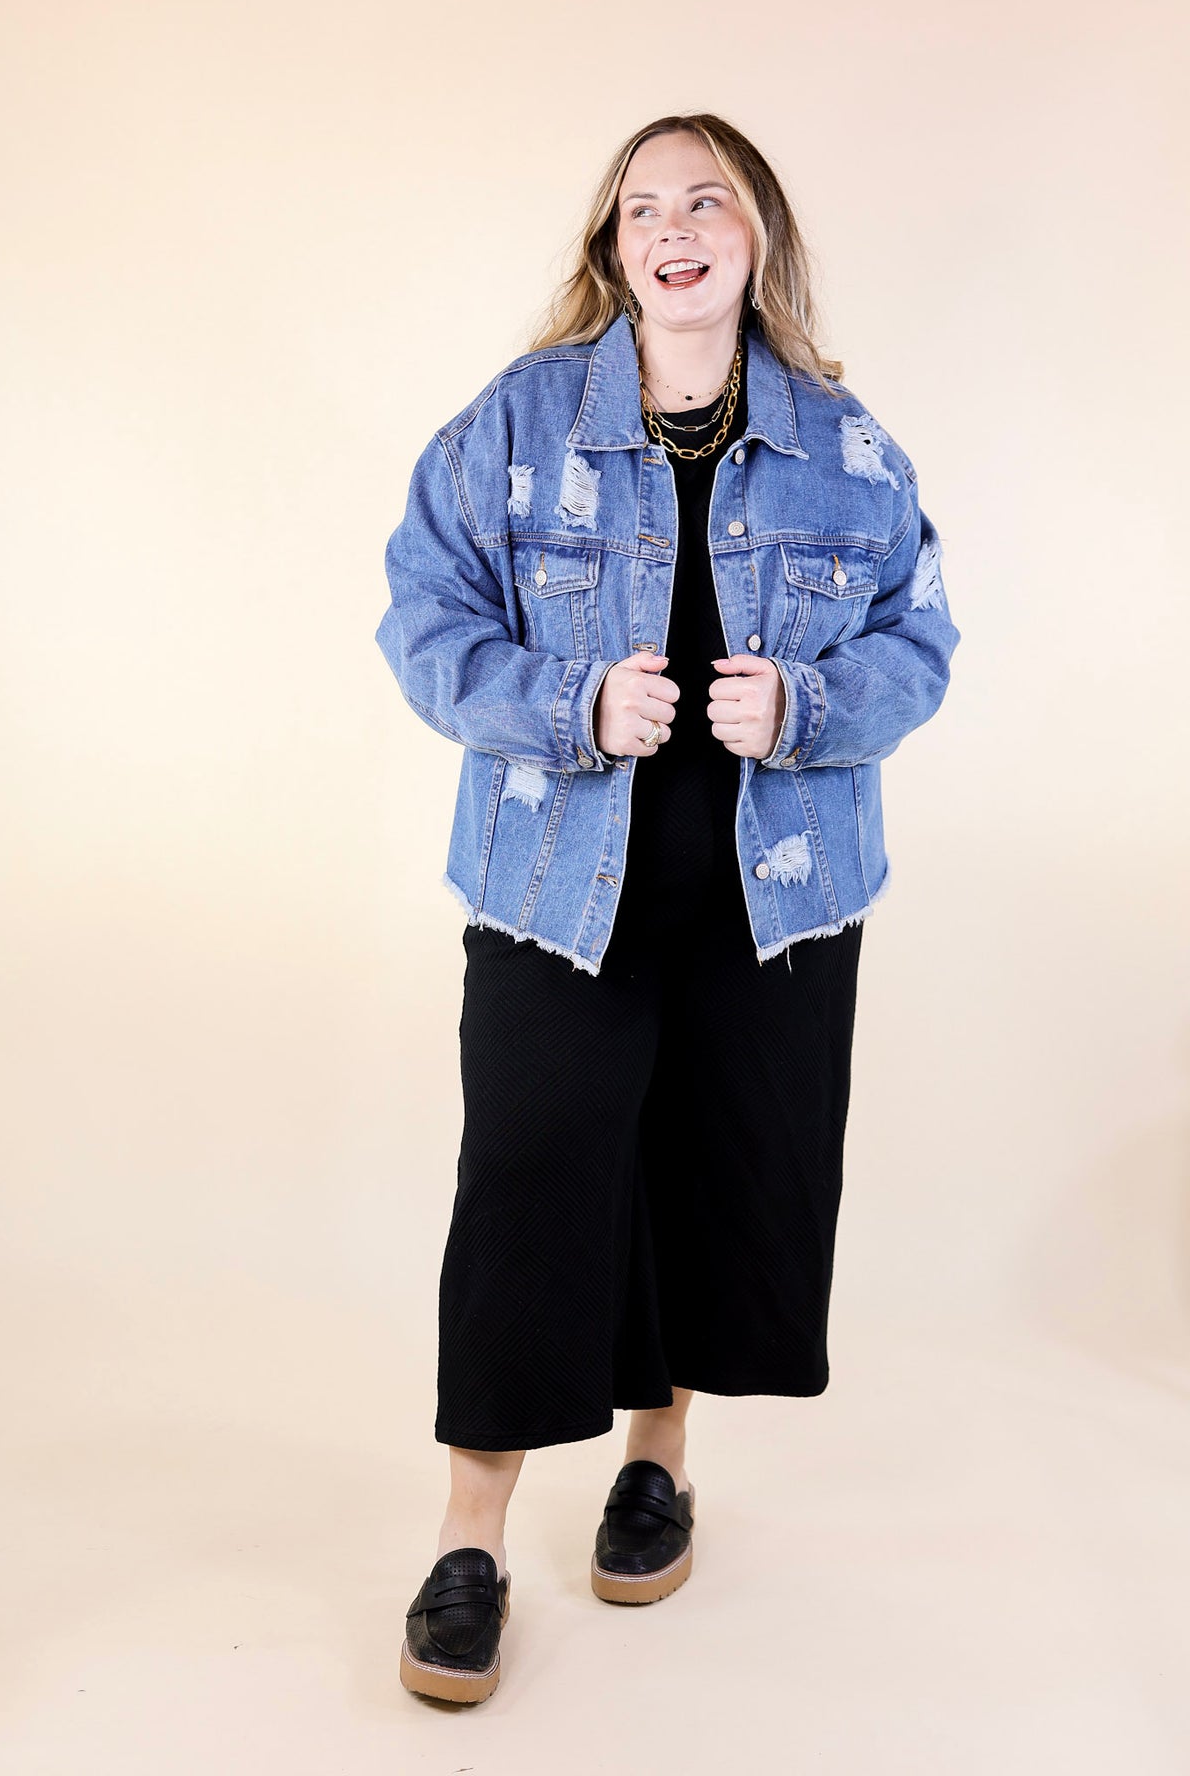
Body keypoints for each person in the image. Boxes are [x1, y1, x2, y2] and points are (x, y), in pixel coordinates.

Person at [376, 111, 961, 1704]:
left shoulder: (846, 446)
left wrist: (811, 707)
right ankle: (471, 1539)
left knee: (713, 1174)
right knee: (528, 1182)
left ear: (757, 237)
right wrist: (567, 702)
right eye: (644, 208)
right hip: (559, 892)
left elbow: (921, 640)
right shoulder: (515, 424)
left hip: (775, 899)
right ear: (613, 247)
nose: (675, 228)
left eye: (708, 201)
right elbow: (422, 620)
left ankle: (658, 1461)